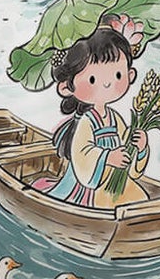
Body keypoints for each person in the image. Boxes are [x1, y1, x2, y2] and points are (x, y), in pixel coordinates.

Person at [36, 20, 150, 208]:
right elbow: (83, 155)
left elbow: (128, 153)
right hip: (86, 189)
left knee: (139, 199)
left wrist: (140, 147)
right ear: (67, 87)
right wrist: (107, 157)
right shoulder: (86, 122)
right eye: (92, 79)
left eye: (118, 76)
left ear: (130, 75)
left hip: (112, 184)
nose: (107, 84)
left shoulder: (114, 119)